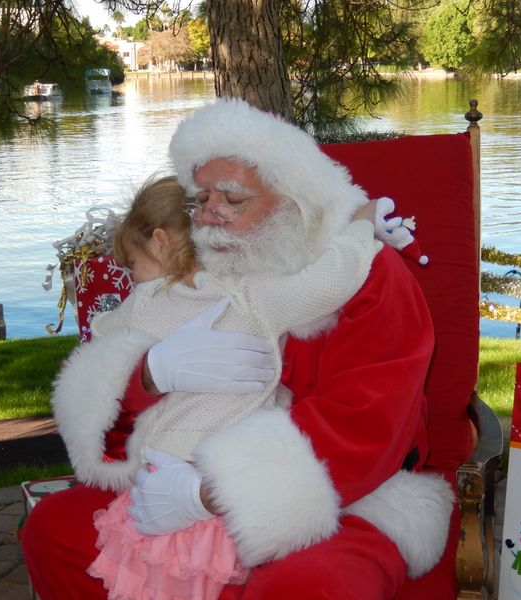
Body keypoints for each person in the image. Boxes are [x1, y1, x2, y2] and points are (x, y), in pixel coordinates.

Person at [22, 98, 454, 600]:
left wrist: (207, 493)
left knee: (306, 586)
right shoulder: (191, 272)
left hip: (345, 495)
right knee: (55, 531)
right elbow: (109, 408)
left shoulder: (371, 278)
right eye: (201, 197)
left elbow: (365, 426)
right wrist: (150, 375)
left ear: (295, 200)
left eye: (233, 199)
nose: (210, 215)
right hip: (178, 468)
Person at [58, 174, 382, 599]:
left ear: (158, 241)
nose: (132, 280)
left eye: (131, 265)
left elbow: (102, 337)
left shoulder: (142, 305)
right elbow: (329, 283)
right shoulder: (250, 294)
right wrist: (359, 228)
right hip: (220, 485)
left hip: (156, 484)